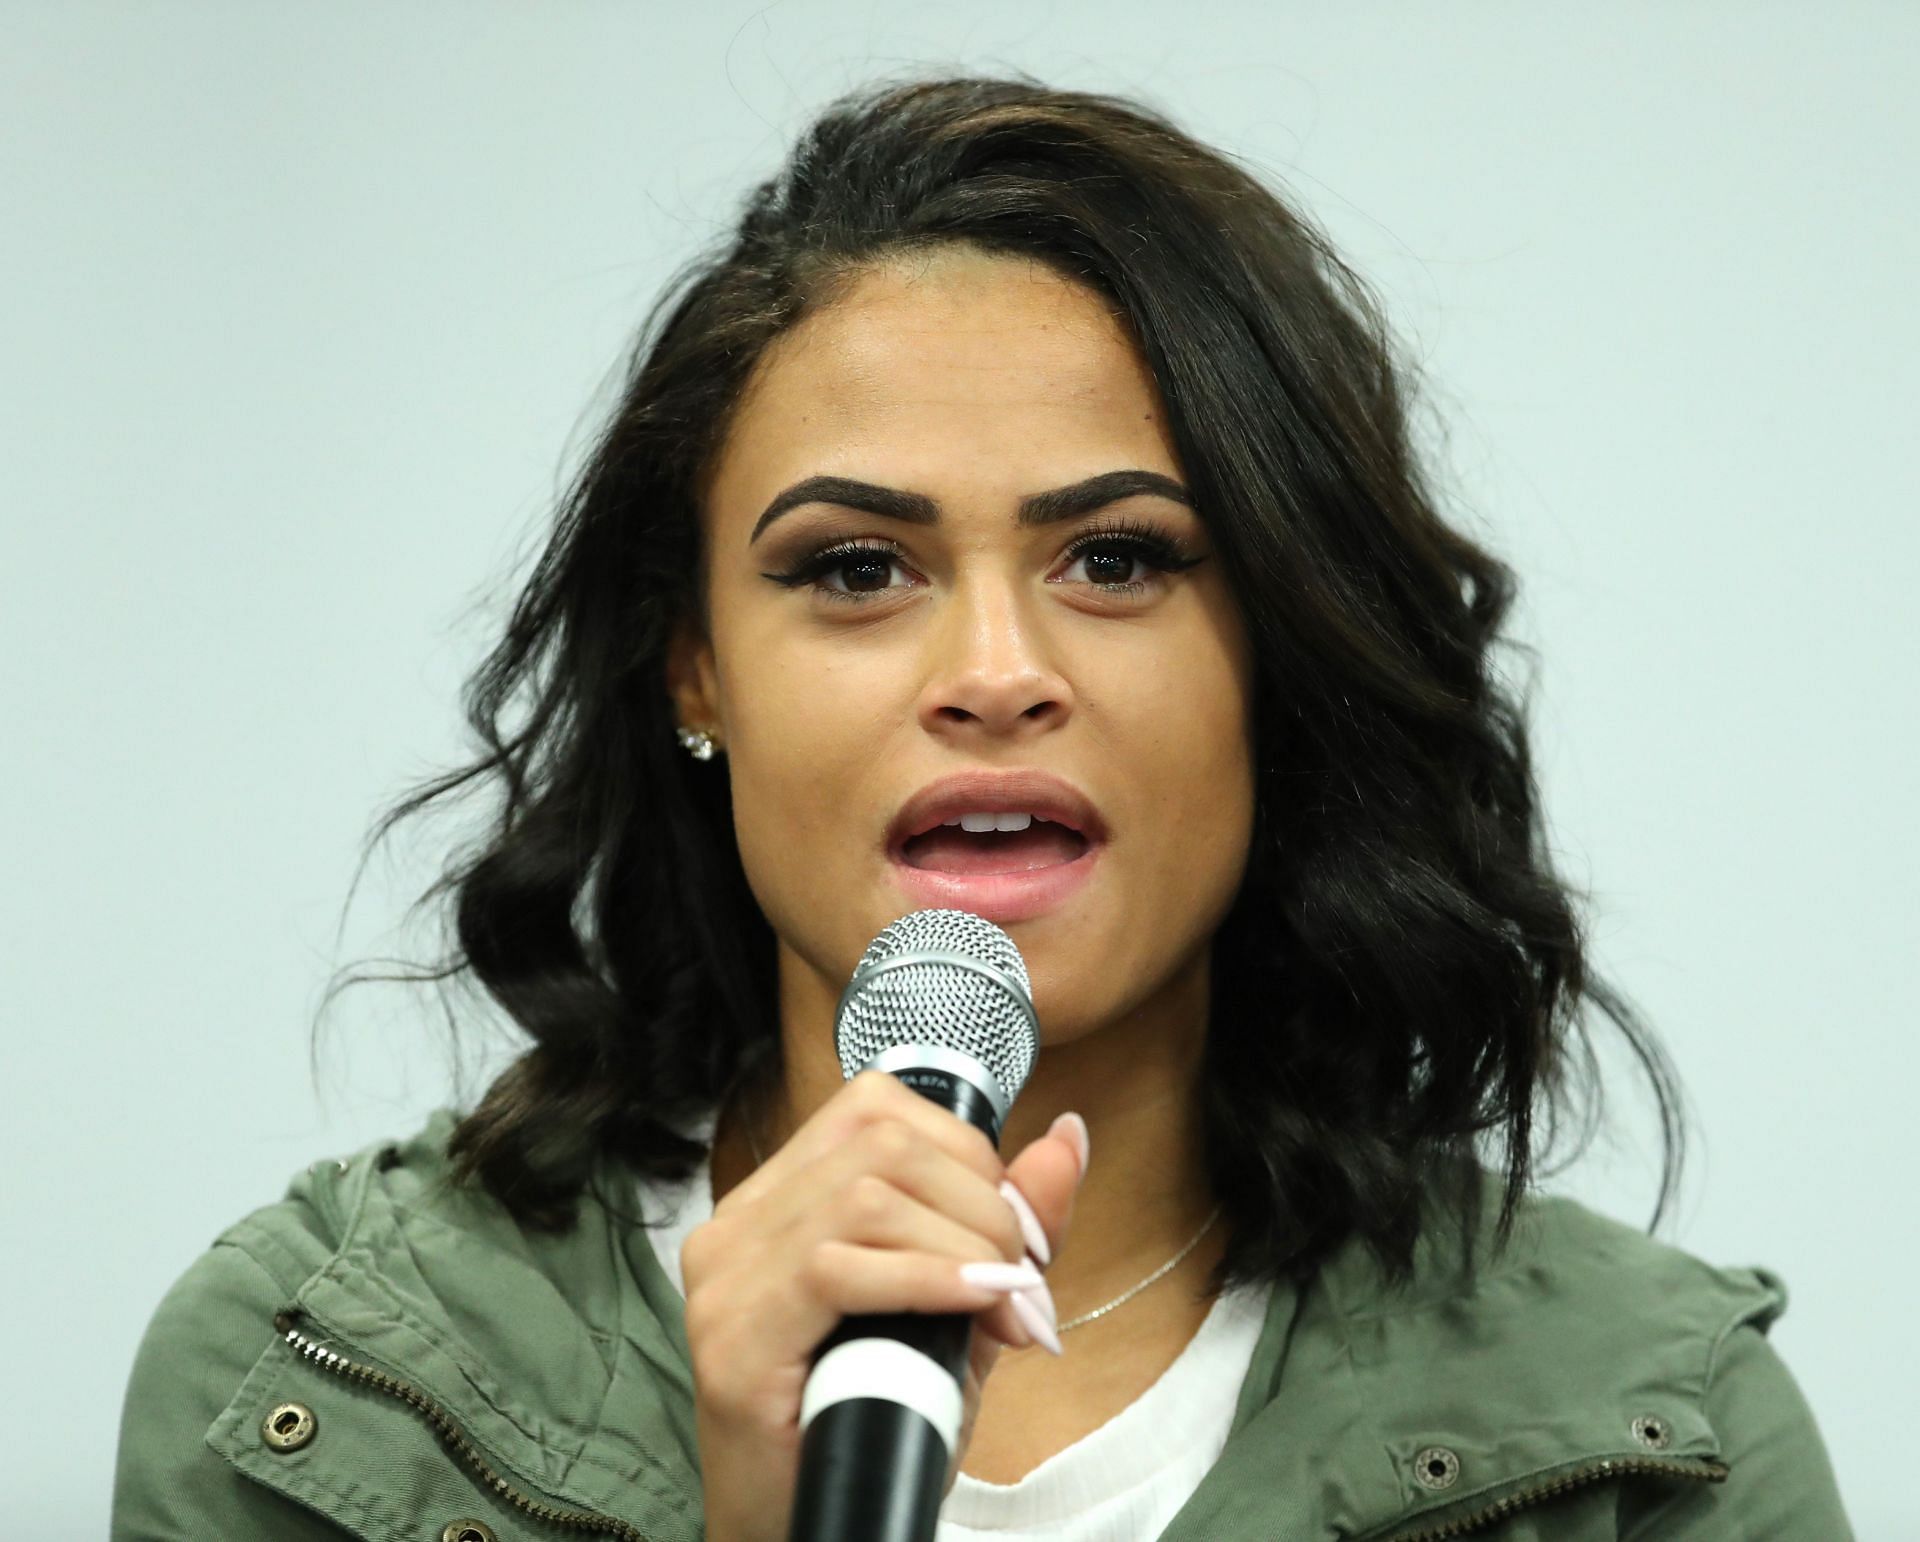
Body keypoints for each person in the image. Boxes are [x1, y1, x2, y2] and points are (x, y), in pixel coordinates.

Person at [111, 74, 1852, 1540]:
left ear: (1280, 648)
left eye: (1119, 558)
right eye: (858, 567)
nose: (997, 668)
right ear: (694, 670)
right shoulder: (325, 1385)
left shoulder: (1648, 1440)